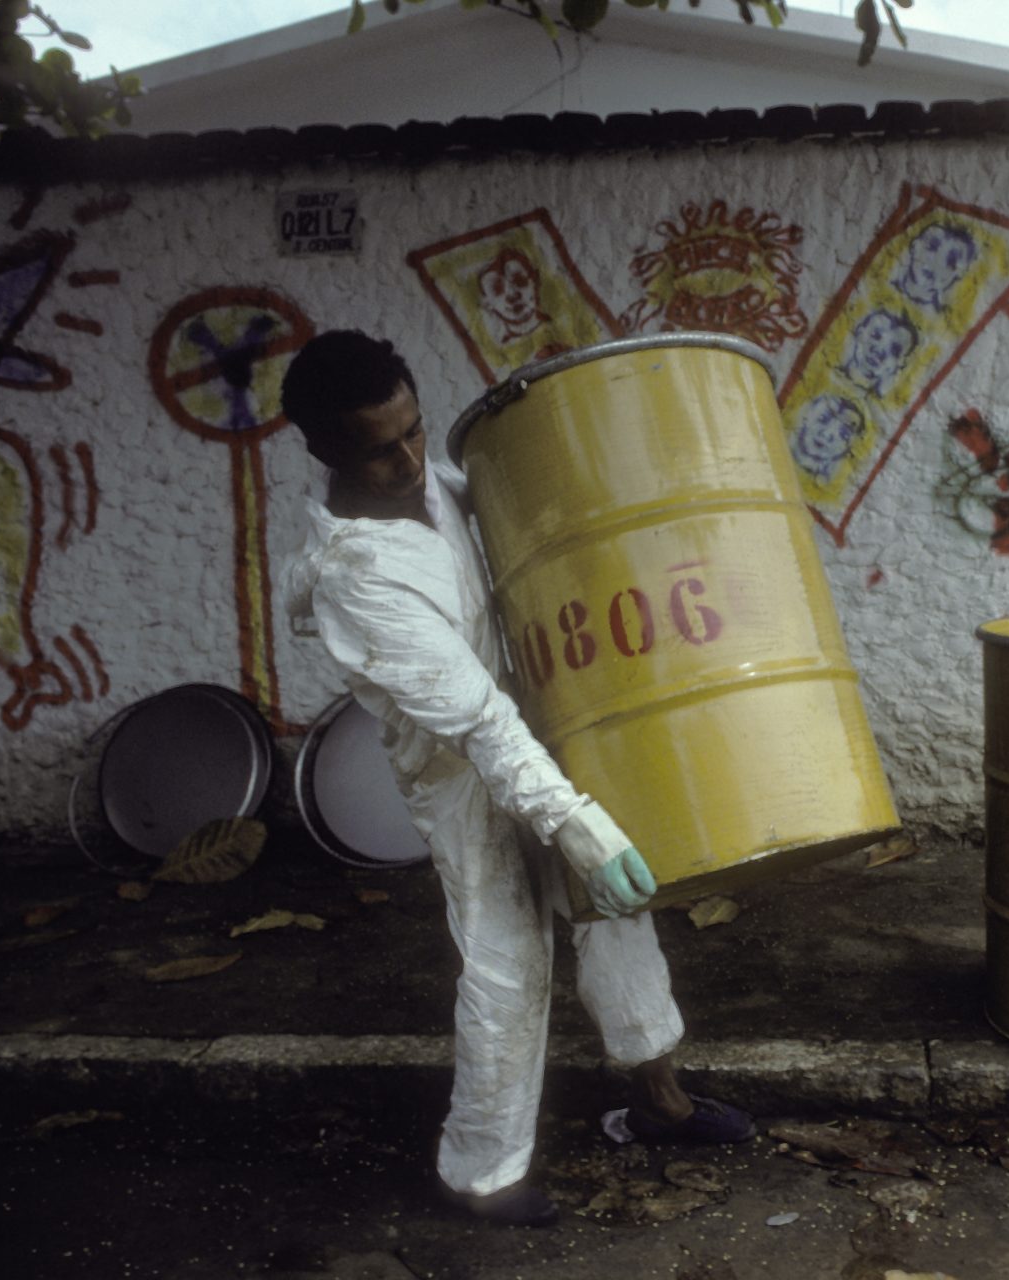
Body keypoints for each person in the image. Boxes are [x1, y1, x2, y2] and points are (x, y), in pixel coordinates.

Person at [278, 330, 753, 1227]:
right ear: (322, 450)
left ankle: (661, 1103)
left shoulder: (438, 493)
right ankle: (480, 1174)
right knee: (507, 962)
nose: (408, 459)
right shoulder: (355, 575)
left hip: (549, 733)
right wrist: (577, 823)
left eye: (414, 431)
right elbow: (476, 722)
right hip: (460, 776)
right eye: (379, 448)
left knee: (619, 920)